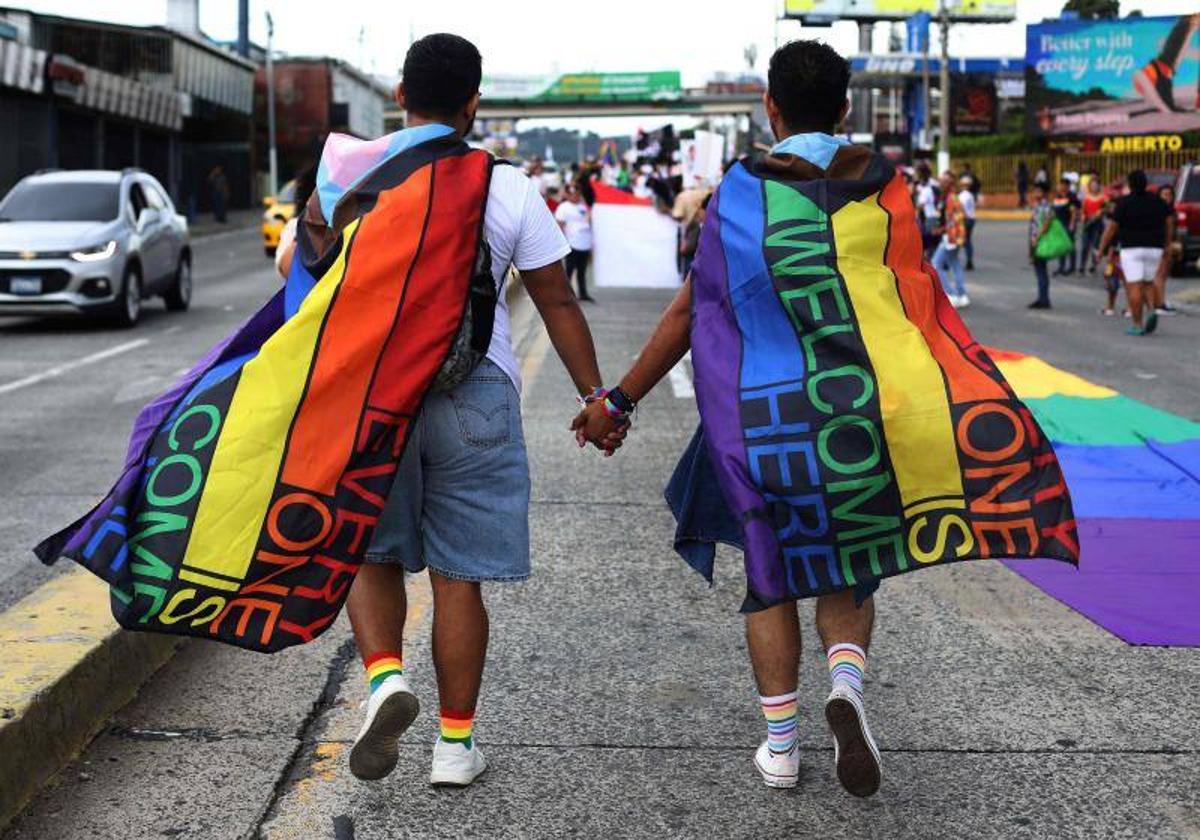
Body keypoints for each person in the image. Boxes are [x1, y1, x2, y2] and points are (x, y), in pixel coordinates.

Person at [573, 37, 1078, 800]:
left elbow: (689, 311)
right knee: (847, 569)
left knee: (769, 581)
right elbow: (916, 307)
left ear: (770, 107)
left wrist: (618, 402)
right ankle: (846, 686)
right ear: (845, 109)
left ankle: (780, 747)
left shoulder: (739, 194)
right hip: (861, 417)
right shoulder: (885, 187)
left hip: (763, 421)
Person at [299, 34, 608, 789]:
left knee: (371, 553)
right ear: (475, 104)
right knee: (457, 577)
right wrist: (596, 399)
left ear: (400, 95)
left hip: (378, 397)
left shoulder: (349, 173)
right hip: (476, 392)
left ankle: (381, 680)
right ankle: (454, 745)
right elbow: (556, 299)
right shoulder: (508, 186)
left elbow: (298, 277)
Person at [1097, 169, 1171, 336]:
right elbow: (1168, 221)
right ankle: (1151, 309)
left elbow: (1112, 228)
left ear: (1130, 184)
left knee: (1133, 286)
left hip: (1131, 249)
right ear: (1146, 183)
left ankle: (1137, 324)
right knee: (1148, 283)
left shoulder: (1123, 203)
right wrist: (1167, 244)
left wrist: (1101, 249)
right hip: (1154, 248)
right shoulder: (1157, 201)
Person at [1131, 14, 1200, 114]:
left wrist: (1192, 30)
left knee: (1175, 53)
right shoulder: (1147, 75)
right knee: (1174, 53)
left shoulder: (1165, 71)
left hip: (1160, 75)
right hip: (1155, 76)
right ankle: (1190, 25)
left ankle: (1190, 25)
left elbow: (1180, 50)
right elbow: (1160, 103)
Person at [933, 171, 969, 307]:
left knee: (936, 264)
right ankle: (962, 295)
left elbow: (957, 217)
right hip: (953, 236)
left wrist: (943, 229)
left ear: (950, 184)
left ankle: (952, 294)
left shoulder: (951, 197)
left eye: (944, 181)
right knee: (955, 264)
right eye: (941, 180)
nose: (941, 183)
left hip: (951, 237)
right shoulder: (946, 197)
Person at [555, 182, 595, 302]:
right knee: (569, 271)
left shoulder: (583, 206)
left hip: (584, 243)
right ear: (568, 195)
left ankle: (583, 293)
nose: (576, 196)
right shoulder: (563, 207)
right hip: (572, 243)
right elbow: (560, 225)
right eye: (573, 194)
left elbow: (589, 221)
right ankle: (566, 294)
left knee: (582, 271)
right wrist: (562, 243)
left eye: (577, 194)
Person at [1028, 183, 1054, 309]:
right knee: (1039, 270)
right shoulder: (1038, 205)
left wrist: (1037, 238)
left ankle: (1044, 299)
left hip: (1040, 241)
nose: (1035, 194)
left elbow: (1046, 223)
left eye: (1038, 191)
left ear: (1044, 193)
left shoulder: (1045, 205)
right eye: (1035, 191)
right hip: (1035, 240)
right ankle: (1042, 297)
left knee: (1041, 270)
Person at [1154, 184, 1179, 315]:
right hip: (1162, 245)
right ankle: (1159, 304)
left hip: (1166, 244)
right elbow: (1167, 231)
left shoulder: (1170, 209)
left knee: (1163, 275)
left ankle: (1159, 300)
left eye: (1170, 194)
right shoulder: (1161, 210)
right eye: (1164, 194)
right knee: (1160, 274)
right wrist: (1167, 245)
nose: (1167, 197)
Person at [1078, 176, 1107, 276]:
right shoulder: (1086, 197)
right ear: (1089, 186)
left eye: (1096, 185)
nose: (1094, 186)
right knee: (1085, 245)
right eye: (1092, 185)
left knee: (1095, 245)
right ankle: (1082, 266)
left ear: (1099, 186)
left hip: (1097, 224)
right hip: (1087, 223)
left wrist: (1102, 211)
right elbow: (1082, 209)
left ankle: (1093, 266)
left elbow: (1108, 208)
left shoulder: (1103, 197)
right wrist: (1082, 216)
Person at [1051, 177, 1080, 276]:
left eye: (1063, 185)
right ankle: (1061, 267)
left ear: (1067, 186)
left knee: (1070, 246)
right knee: (1061, 246)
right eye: (1060, 184)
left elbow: (1074, 212)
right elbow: (1054, 211)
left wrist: (1072, 225)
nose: (1061, 186)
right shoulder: (1058, 196)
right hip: (1059, 225)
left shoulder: (1071, 197)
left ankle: (1072, 267)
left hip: (1068, 224)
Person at [958, 174, 978, 272]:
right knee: (968, 240)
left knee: (962, 240)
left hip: (965, 219)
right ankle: (969, 260)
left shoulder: (962, 195)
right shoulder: (970, 195)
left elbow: (961, 209)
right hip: (972, 218)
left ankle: (954, 260)